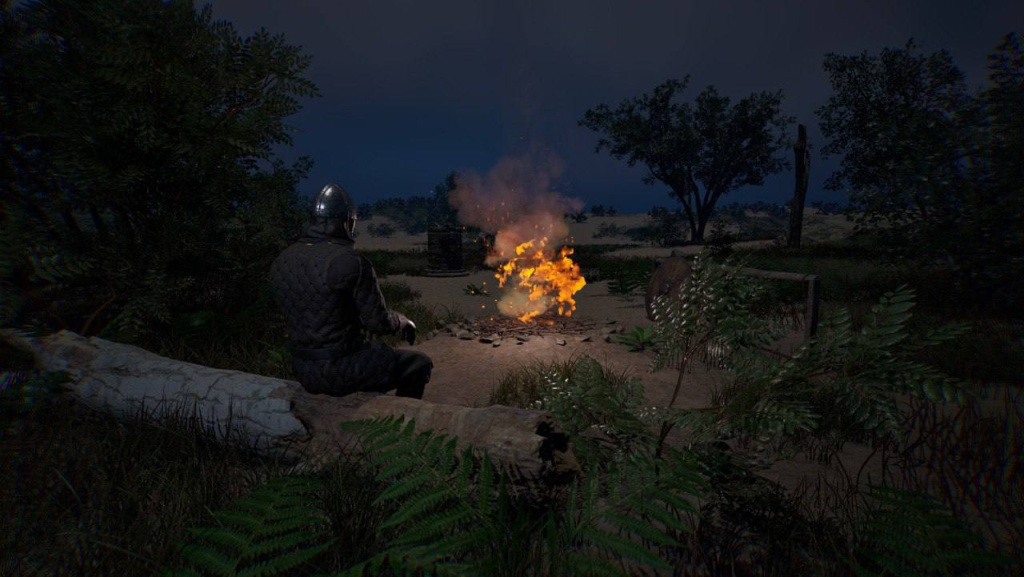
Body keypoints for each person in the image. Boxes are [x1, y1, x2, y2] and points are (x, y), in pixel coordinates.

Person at [268, 183, 432, 399]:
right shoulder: (349, 262)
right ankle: (403, 420)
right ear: (347, 222)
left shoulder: (283, 259)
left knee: (374, 353)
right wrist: (402, 321)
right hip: (340, 368)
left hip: (302, 368)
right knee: (418, 364)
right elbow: (379, 323)